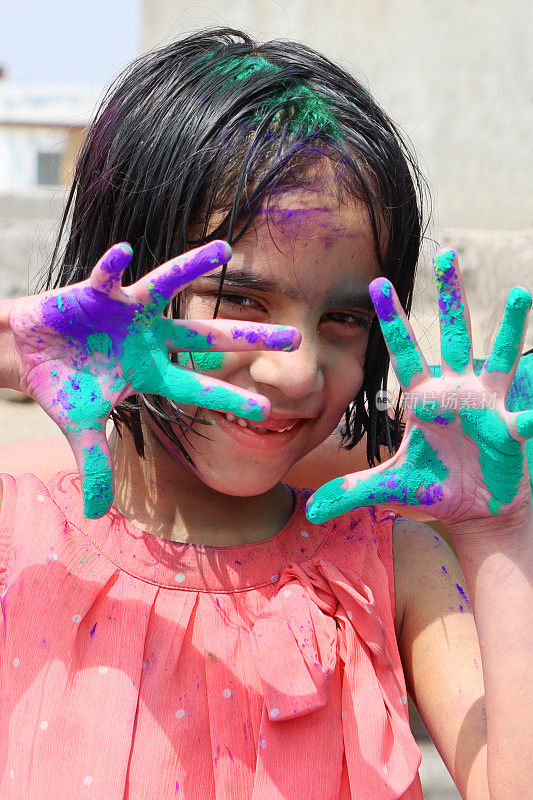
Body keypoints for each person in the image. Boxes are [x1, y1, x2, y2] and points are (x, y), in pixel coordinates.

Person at [0, 28, 531, 800]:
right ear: (122, 273)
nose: (299, 369)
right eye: (241, 302)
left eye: (344, 321)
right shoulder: (20, 541)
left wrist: (496, 531)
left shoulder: (393, 567)